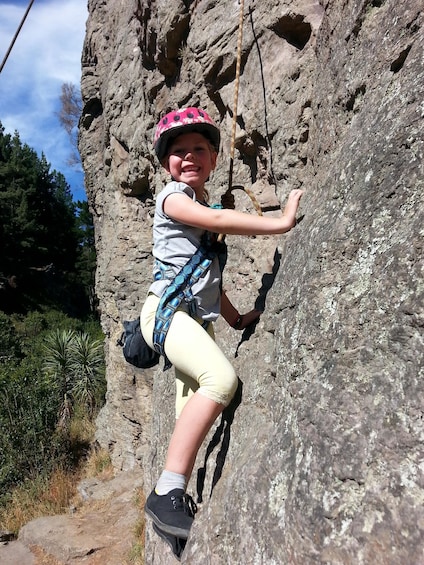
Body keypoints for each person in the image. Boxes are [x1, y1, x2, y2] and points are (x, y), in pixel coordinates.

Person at [140, 107, 303, 543]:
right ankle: (165, 494)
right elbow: (215, 220)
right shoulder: (172, 198)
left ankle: (174, 510)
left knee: (188, 413)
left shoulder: (198, 208)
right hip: (167, 313)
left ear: (214, 159)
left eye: (200, 149)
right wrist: (280, 223)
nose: (189, 156)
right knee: (221, 380)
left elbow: (206, 277)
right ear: (166, 163)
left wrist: (236, 318)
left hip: (194, 318)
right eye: (178, 151)